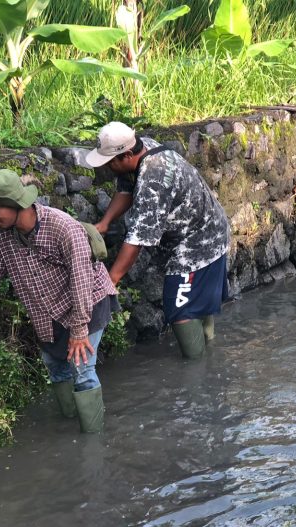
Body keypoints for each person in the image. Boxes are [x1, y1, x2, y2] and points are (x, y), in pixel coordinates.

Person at [0, 169, 118, 433]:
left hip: (88, 302)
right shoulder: (1, 235)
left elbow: (82, 279)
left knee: (82, 368)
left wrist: (79, 329)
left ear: (16, 204)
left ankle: (92, 440)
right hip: (48, 310)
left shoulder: (63, 227)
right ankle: (69, 422)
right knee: (54, 364)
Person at [85, 122, 230, 360]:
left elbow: (137, 240)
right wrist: (105, 222)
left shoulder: (153, 178)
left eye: (110, 162)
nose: (108, 168)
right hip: (203, 228)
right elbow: (126, 190)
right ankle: (208, 347)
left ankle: (199, 369)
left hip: (199, 243)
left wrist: (110, 281)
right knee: (196, 302)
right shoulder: (142, 149)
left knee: (180, 309)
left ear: (127, 154)